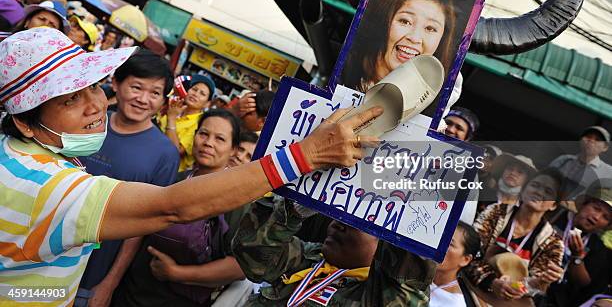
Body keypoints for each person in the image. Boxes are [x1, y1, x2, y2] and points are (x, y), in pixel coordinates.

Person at [0, 28, 381, 306]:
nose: (96, 105)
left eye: (95, 86)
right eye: (70, 99)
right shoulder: (40, 188)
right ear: (24, 121)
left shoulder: (18, 153)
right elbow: (171, 206)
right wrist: (305, 156)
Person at [113, 110, 248, 307]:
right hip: (131, 293)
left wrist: (177, 274)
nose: (208, 143)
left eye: (219, 139)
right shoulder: (174, 180)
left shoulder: (236, 200)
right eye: (203, 134)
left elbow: (239, 266)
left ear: (234, 150)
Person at [76, 50, 179, 307]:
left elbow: (140, 227)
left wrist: (109, 283)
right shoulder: (86, 123)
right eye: (136, 87)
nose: (143, 99)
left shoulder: (165, 154)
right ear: (116, 83)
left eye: (155, 93)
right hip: (42, 255)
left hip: (92, 276)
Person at [232, 195, 436, 306]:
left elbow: (411, 268)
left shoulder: (381, 295)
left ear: (383, 243)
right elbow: (252, 253)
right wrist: (292, 210)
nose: (337, 224)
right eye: (338, 216)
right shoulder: (308, 259)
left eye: (356, 223)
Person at [341, 0, 457, 92]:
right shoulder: (343, 69)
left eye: (430, 28)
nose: (415, 38)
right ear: (383, 20)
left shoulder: (444, 90)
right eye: (405, 21)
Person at [465, 168, 566, 302]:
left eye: (548, 192)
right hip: (470, 288)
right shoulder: (496, 212)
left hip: (508, 302)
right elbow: (469, 252)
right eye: (535, 185)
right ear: (523, 190)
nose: (539, 192)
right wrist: (492, 282)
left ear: (553, 205)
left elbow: (536, 288)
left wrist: (538, 283)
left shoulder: (553, 243)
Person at [544, 187, 612, 307]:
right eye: (596, 208)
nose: (596, 217)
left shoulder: (597, 247)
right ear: (583, 205)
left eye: (605, 217)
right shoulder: (553, 215)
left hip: (554, 300)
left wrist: (576, 257)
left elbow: (584, 283)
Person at [159, 74, 216, 172]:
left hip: (164, 171)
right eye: (194, 89)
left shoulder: (201, 124)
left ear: (207, 103)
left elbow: (175, 151)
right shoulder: (176, 108)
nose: (195, 94)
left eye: (202, 93)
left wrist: (171, 119)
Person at [550, 126, 612, 202]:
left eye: (597, 139)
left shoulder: (608, 173)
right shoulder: (564, 160)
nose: (591, 141)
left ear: (605, 147)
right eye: (588, 137)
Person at [430, 222, 481, 307]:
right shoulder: (413, 272)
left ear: (465, 260)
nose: (440, 245)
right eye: (440, 238)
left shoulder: (456, 304)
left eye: (450, 244)